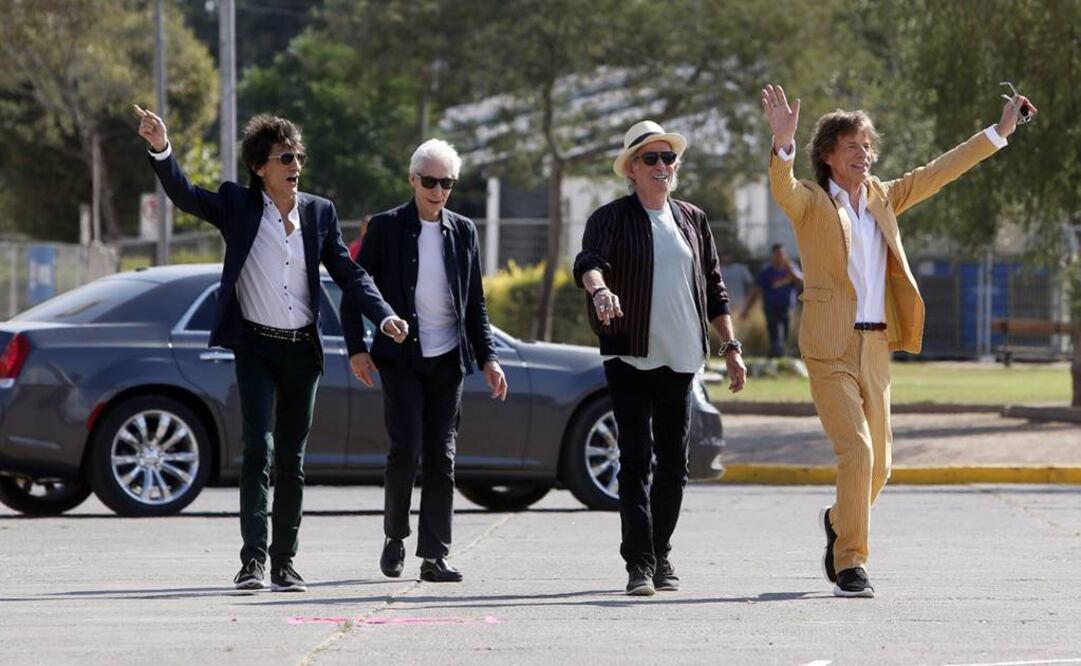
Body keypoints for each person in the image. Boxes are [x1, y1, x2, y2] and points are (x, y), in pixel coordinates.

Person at [760, 83, 1036, 598]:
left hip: (875, 347)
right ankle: (850, 564)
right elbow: (784, 189)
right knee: (858, 453)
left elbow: (937, 172)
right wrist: (782, 145)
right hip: (828, 348)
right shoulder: (813, 204)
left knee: (881, 467)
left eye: (868, 146)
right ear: (828, 155)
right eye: (852, 147)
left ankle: (838, 519)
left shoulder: (885, 197)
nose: (863, 155)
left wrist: (999, 132)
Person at [137, 108, 409, 593]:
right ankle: (253, 562)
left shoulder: (320, 212)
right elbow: (183, 193)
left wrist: (383, 314)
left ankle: (285, 562)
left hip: (302, 350)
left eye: (298, 155)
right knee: (256, 449)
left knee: (292, 458)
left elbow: (349, 273)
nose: (295, 163)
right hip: (256, 347)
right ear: (261, 166)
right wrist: (162, 147)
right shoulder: (237, 205)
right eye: (285, 156)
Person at [573, 120, 747, 597]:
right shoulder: (610, 217)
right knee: (636, 459)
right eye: (651, 158)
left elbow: (714, 286)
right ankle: (639, 564)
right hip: (629, 354)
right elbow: (587, 262)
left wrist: (730, 347)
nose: (662, 166)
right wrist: (602, 289)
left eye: (668, 158)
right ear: (631, 169)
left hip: (683, 356)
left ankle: (661, 552)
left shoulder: (693, 218)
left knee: (674, 462)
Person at [342, 139, 508, 584]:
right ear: (413, 179)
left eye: (446, 183)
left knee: (443, 456)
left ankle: (434, 554)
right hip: (399, 360)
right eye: (430, 181)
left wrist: (489, 357)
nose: (438, 191)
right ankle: (395, 535)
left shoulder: (463, 231)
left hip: (448, 360)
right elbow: (356, 288)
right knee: (406, 449)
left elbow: (475, 302)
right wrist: (357, 347)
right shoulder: (386, 228)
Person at [741, 243, 804, 357]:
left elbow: (801, 282)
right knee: (775, 332)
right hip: (771, 307)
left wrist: (791, 271)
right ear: (773, 256)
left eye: (782, 254)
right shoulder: (766, 272)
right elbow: (756, 291)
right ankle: (777, 354)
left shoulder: (792, 268)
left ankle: (777, 355)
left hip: (787, 308)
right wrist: (746, 310)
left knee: (785, 333)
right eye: (778, 254)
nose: (780, 256)